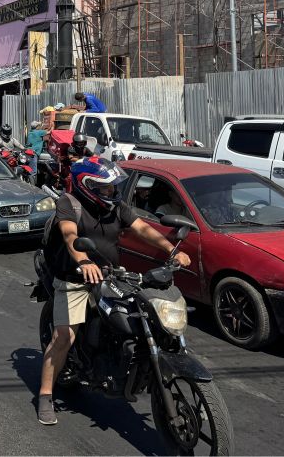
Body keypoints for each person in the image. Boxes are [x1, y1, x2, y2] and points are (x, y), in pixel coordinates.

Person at [37, 157, 191, 425]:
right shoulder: (68, 203)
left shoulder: (117, 207)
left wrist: (171, 250)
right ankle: (45, 395)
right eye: (106, 187)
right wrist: (83, 261)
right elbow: (70, 235)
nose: (112, 191)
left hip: (111, 275)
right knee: (64, 336)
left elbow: (142, 228)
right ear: (88, 186)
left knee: (140, 315)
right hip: (74, 278)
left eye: (112, 186)